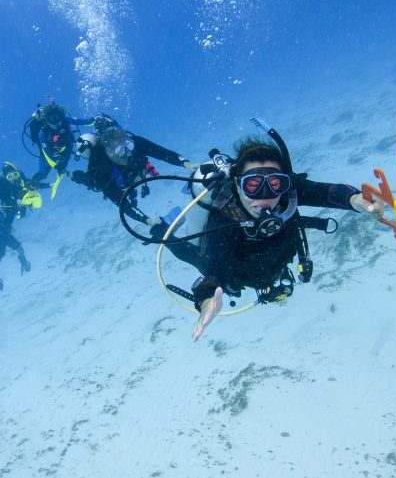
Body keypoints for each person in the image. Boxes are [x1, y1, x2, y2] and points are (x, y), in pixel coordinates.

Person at [156, 135, 383, 342]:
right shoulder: (223, 215)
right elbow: (216, 267)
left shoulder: (288, 195)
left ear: (285, 183)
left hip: (274, 261)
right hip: (236, 272)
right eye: (253, 186)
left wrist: (356, 201)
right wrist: (207, 299)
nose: (265, 197)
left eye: (275, 185)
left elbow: (328, 192)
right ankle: (158, 228)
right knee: (187, 253)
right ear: (237, 184)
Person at [69, 115, 199, 230]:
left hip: (129, 176)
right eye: (120, 151)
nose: (127, 153)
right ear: (108, 153)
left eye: (126, 144)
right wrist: (148, 220)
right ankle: (72, 175)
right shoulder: (101, 171)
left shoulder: (135, 142)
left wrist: (186, 163)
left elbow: (161, 152)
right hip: (105, 178)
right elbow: (122, 203)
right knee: (89, 181)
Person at [26, 100, 94, 194]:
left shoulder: (65, 121)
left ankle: (60, 171)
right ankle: (32, 184)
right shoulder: (43, 132)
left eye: (59, 119)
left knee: (62, 166)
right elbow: (46, 152)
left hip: (66, 148)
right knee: (43, 173)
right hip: (47, 152)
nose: (57, 123)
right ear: (46, 120)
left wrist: (93, 121)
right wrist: (55, 164)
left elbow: (79, 121)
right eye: (52, 120)